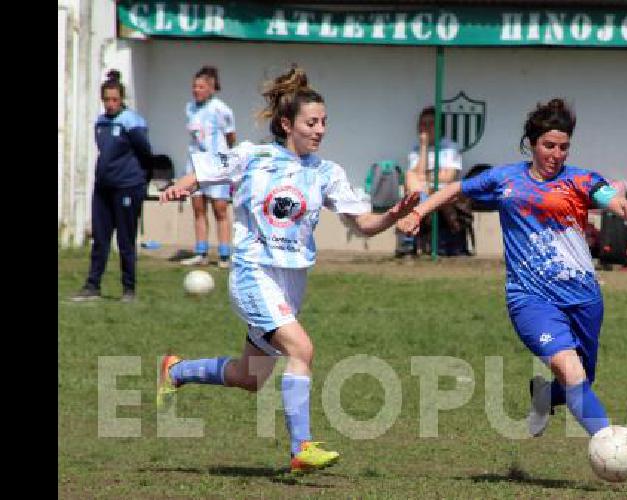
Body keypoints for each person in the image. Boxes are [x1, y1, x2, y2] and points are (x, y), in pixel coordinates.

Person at [157, 65, 419, 474]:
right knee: (302, 350)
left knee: (249, 377)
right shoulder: (254, 156)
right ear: (286, 124)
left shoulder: (327, 173)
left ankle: (176, 370)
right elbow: (208, 169)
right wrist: (182, 186)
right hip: (252, 272)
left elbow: (362, 223)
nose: (320, 130)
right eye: (311, 123)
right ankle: (302, 448)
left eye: (324, 123)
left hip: (291, 282)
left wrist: (392, 215)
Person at [397, 98, 627, 438]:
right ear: (531, 144)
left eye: (563, 147)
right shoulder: (505, 179)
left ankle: (544, 395)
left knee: (581, 378)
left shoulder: (582, 181)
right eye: (548, 146)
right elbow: (454, 188)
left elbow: (623, 204)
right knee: (569, 369)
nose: (556, 154)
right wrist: (418, 213)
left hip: (583, 296)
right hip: (530, 297)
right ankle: (609, 443)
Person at [71, 70, 153, 302]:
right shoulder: (101, 122)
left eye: (115, 99)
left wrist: (141, 181)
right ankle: (92, 286)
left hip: (127, 187)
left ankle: (129, 289)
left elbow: (146, 153)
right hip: (103, 188)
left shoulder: (132, 122)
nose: (110, 104)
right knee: (100, 239)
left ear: (122, 99)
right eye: (106, 99)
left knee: (125, 241)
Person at [180, 65, 236, 268]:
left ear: (212, 88)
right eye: (195, 86)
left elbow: (231, 137)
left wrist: (221, 158)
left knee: (220, 208)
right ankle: (201, 252)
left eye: (201, 87)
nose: (197, 90)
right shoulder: (190, 108)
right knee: (198, 207)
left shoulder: (222, 109)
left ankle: (224, 255)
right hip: (195, 163)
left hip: (216, 164)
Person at [400, 106, 467, 255]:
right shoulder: (416, 149)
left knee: (421, 187)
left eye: (431, 124)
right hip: (422, 193)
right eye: (423, 124)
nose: (426, 128)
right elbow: (416, 175)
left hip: (443, 192)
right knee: (410, 177)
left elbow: (448, 177)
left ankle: (408, 241)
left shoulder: (450, 148)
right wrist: (424, 147)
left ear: (439, 126)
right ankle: (410, 242)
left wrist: (426, 177)